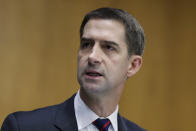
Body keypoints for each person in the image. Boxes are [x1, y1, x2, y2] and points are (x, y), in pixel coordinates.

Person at [1, 7, 146, 131]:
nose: (92, 57)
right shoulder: (23, 127)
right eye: (87, 44)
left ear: (133, 65)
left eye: (108, 47)